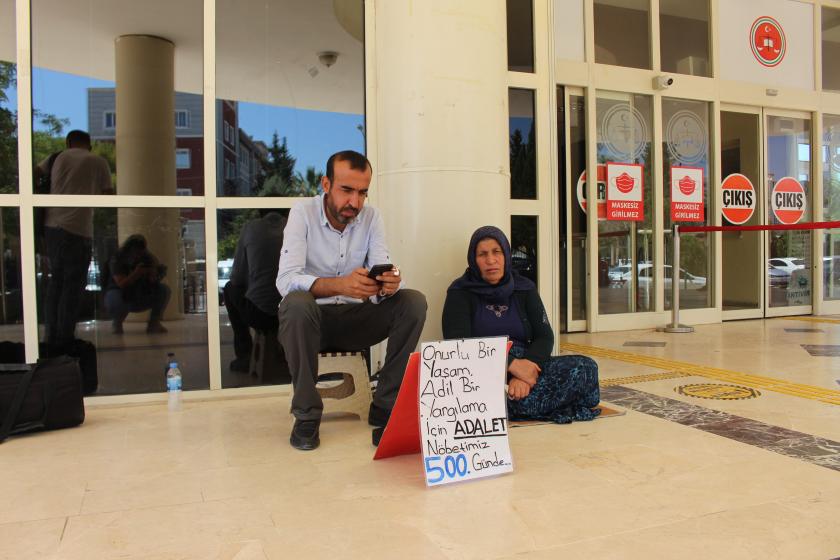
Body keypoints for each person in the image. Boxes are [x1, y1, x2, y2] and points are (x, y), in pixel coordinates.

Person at [276, 150, 427, 451]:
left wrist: (389, 284)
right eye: (347, 190)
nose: (355, 203)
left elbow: (382, 265)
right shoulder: (302, 212)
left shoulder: (371, 218)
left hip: (356, 319)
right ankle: (306, 415)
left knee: (413, 302)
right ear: (326, 184)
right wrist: (339, 285)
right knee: (295, 303)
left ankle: (385, 404)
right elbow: (285, 280)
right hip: (311, 322)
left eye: (362, 193)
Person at [442, 225, 600, 424]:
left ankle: (512, 405)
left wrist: (526, 372)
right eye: (482, 254)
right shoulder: (460, 292)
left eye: (496, 252)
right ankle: (520, 403)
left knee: (587, 367)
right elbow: (458, 344)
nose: (491, 260)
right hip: (484, 369)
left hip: (527, 365)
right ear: (474, 260)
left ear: (507, 255)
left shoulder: (524, 288)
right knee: (473, 392)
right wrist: (511, 366)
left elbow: (545, 336)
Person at [36, 130, 114, 348]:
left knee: (56, 283)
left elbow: (35, 172)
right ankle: (65, 337)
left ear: (68, 142)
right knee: (73, 286)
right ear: (89, 145)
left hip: (51, 226)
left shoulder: (55, 157)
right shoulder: (97, 161)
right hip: (78, 229)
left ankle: (50, 335)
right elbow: (108, 194)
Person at [225, 210, 287, 372]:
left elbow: (237, 278)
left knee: (229, 289)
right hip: (293, 312)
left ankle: (245, 355)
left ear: (260, 211)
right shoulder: (295, 228)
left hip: (259, 315)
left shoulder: (250, 228)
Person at [104, 234, 170, 334]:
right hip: (120, 293)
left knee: (163, 290)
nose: (137, 256)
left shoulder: (147, 257)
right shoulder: (118, 258)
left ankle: (154, 323)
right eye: (135, 252)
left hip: (139, 293)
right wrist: (136, 273)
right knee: (115, 297)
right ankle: (117, 322)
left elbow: (154, 279)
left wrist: (154, 275)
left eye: (140, 252)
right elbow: (121, 284)